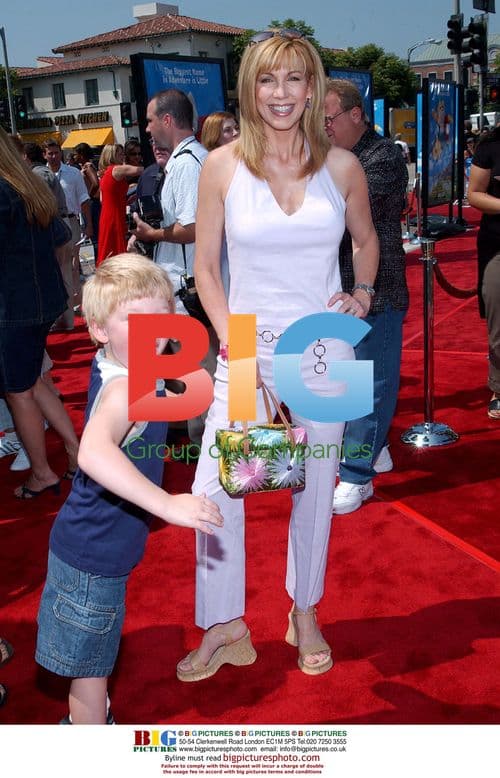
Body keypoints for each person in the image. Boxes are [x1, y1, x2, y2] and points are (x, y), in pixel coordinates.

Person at [176, 31, 378, 681]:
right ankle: (225, 623)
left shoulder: (342, 167)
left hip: (323, 350)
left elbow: (366, 240)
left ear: (313, 88)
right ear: (249, 89)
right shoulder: (222, 166)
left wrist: (363, 292)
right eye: (268, 79)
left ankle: (305, 609)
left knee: (317, 487)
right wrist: (228, 336)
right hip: (245, 351)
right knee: (213, 488)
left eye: (294, 78)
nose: (281, 93)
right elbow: (207, 269)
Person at [35, 253, 223, 724]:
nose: (152, 332)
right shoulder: (124, 389)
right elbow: (93, 452)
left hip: (98, 550)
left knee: (95, 662)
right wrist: (168, 505)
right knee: (91, 674)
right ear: (98, 329)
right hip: (91, 558)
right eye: (135, 321)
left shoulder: (124, 362)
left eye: (161, 317)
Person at [324, 79, 409, 514]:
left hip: (378, 290)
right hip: (344, 291)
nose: (323, 128)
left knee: (370, 385)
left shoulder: (383, 157)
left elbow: (349, 215)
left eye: (329, 119)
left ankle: (357, 475)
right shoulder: (338, 159)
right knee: (351, 384)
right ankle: (377, 448)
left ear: (356, 114)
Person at [0, 127, 80, 497]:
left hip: (12, 309)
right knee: (34, 382)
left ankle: (42, 473)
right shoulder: (27, 186)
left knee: (19, 392)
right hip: (40, 303)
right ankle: (75, 450)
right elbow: (62, 240)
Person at [134, 88, 212, 445]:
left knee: (202, 377)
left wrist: (153, 233)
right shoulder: (193, 158)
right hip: (192, 287)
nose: (147, 129)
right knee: (197, 374)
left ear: (167, 120)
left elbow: (194, 227)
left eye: (150, 120)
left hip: (190, 289)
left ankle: (207, 451)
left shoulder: (187, 163)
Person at [467, 127, 500, 419]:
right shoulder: (491, 145)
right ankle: (499, 387)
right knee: (498, 320)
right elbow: (475, 195)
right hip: (497, 245)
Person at [43, 138, 93, 317]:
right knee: (54, 266)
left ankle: (77, 303)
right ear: (44, 155)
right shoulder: (39, 175)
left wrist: (89, 225)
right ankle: (61, 305)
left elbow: (84, 199)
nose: (54, 156)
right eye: (50, 153)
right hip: (49, 224)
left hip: (71, 222)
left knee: (74, 264)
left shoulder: (73, 173)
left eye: (56, 153)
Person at [96, 144, 143, 265]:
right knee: (117, 250)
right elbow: (139, 170)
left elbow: (102, 199)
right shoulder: (116, 169)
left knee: (110, 251)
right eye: (120, 154)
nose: (123, 156)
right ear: (112, 155)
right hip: (114, 215)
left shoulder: (105, 173)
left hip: (107, 214)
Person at [73, 142, 100, 257]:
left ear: (81, 155)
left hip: (92, 204)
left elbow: (95, 183)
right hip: (91, 203)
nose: (74, 156)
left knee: (95, 234)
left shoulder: (87, 167)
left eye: (75, 154)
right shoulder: (85, 166)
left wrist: (88, 196)